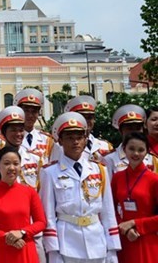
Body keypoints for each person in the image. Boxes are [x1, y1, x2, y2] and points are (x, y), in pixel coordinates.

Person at [40, 112, 121, 263]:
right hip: (67, 241)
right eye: (70, 138)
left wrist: (112, 248)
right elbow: (48, 214)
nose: (75, 142)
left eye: (79, 138)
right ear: (60, 141)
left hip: (97, 239)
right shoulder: (50, 172)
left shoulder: (99, 170)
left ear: (85, 140)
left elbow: (107, 211)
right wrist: (53, 251)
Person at [0, 106, 45, 262]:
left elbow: (41, 191)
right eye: (13, 130)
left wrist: (26, 231)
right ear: (4, 133)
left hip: (30, 229)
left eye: (21, 130)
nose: (18, 134)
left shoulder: (35, 159)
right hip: (2, 231)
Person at [0, 146, 47, 263]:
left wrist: (22, 233)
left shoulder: (29, 192)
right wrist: (6, 237)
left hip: (25, 246)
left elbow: (41, 222)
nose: (11, 168)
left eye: (16, 164)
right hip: (1, 250)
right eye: (6, 163)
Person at [111, 132, 158, 262]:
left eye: (141, 150)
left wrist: (134, 224)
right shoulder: (117, 178)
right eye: (131, 149)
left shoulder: (154, 179)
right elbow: (110, 209)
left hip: (147, 238)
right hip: (123, 238)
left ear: (147, 152)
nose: (135, 154)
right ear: (124, 148)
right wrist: (123, 227)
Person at [104, 104, 158, 178]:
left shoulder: (152, 159)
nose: (134, 132)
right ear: (120, 131)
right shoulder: (109, 159)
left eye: (138, 128)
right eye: (129, 128)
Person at [15, 89, 54, 164]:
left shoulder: (47, 140)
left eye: (34, 112)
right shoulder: (11, 138)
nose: (30, 115)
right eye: (26, 111)